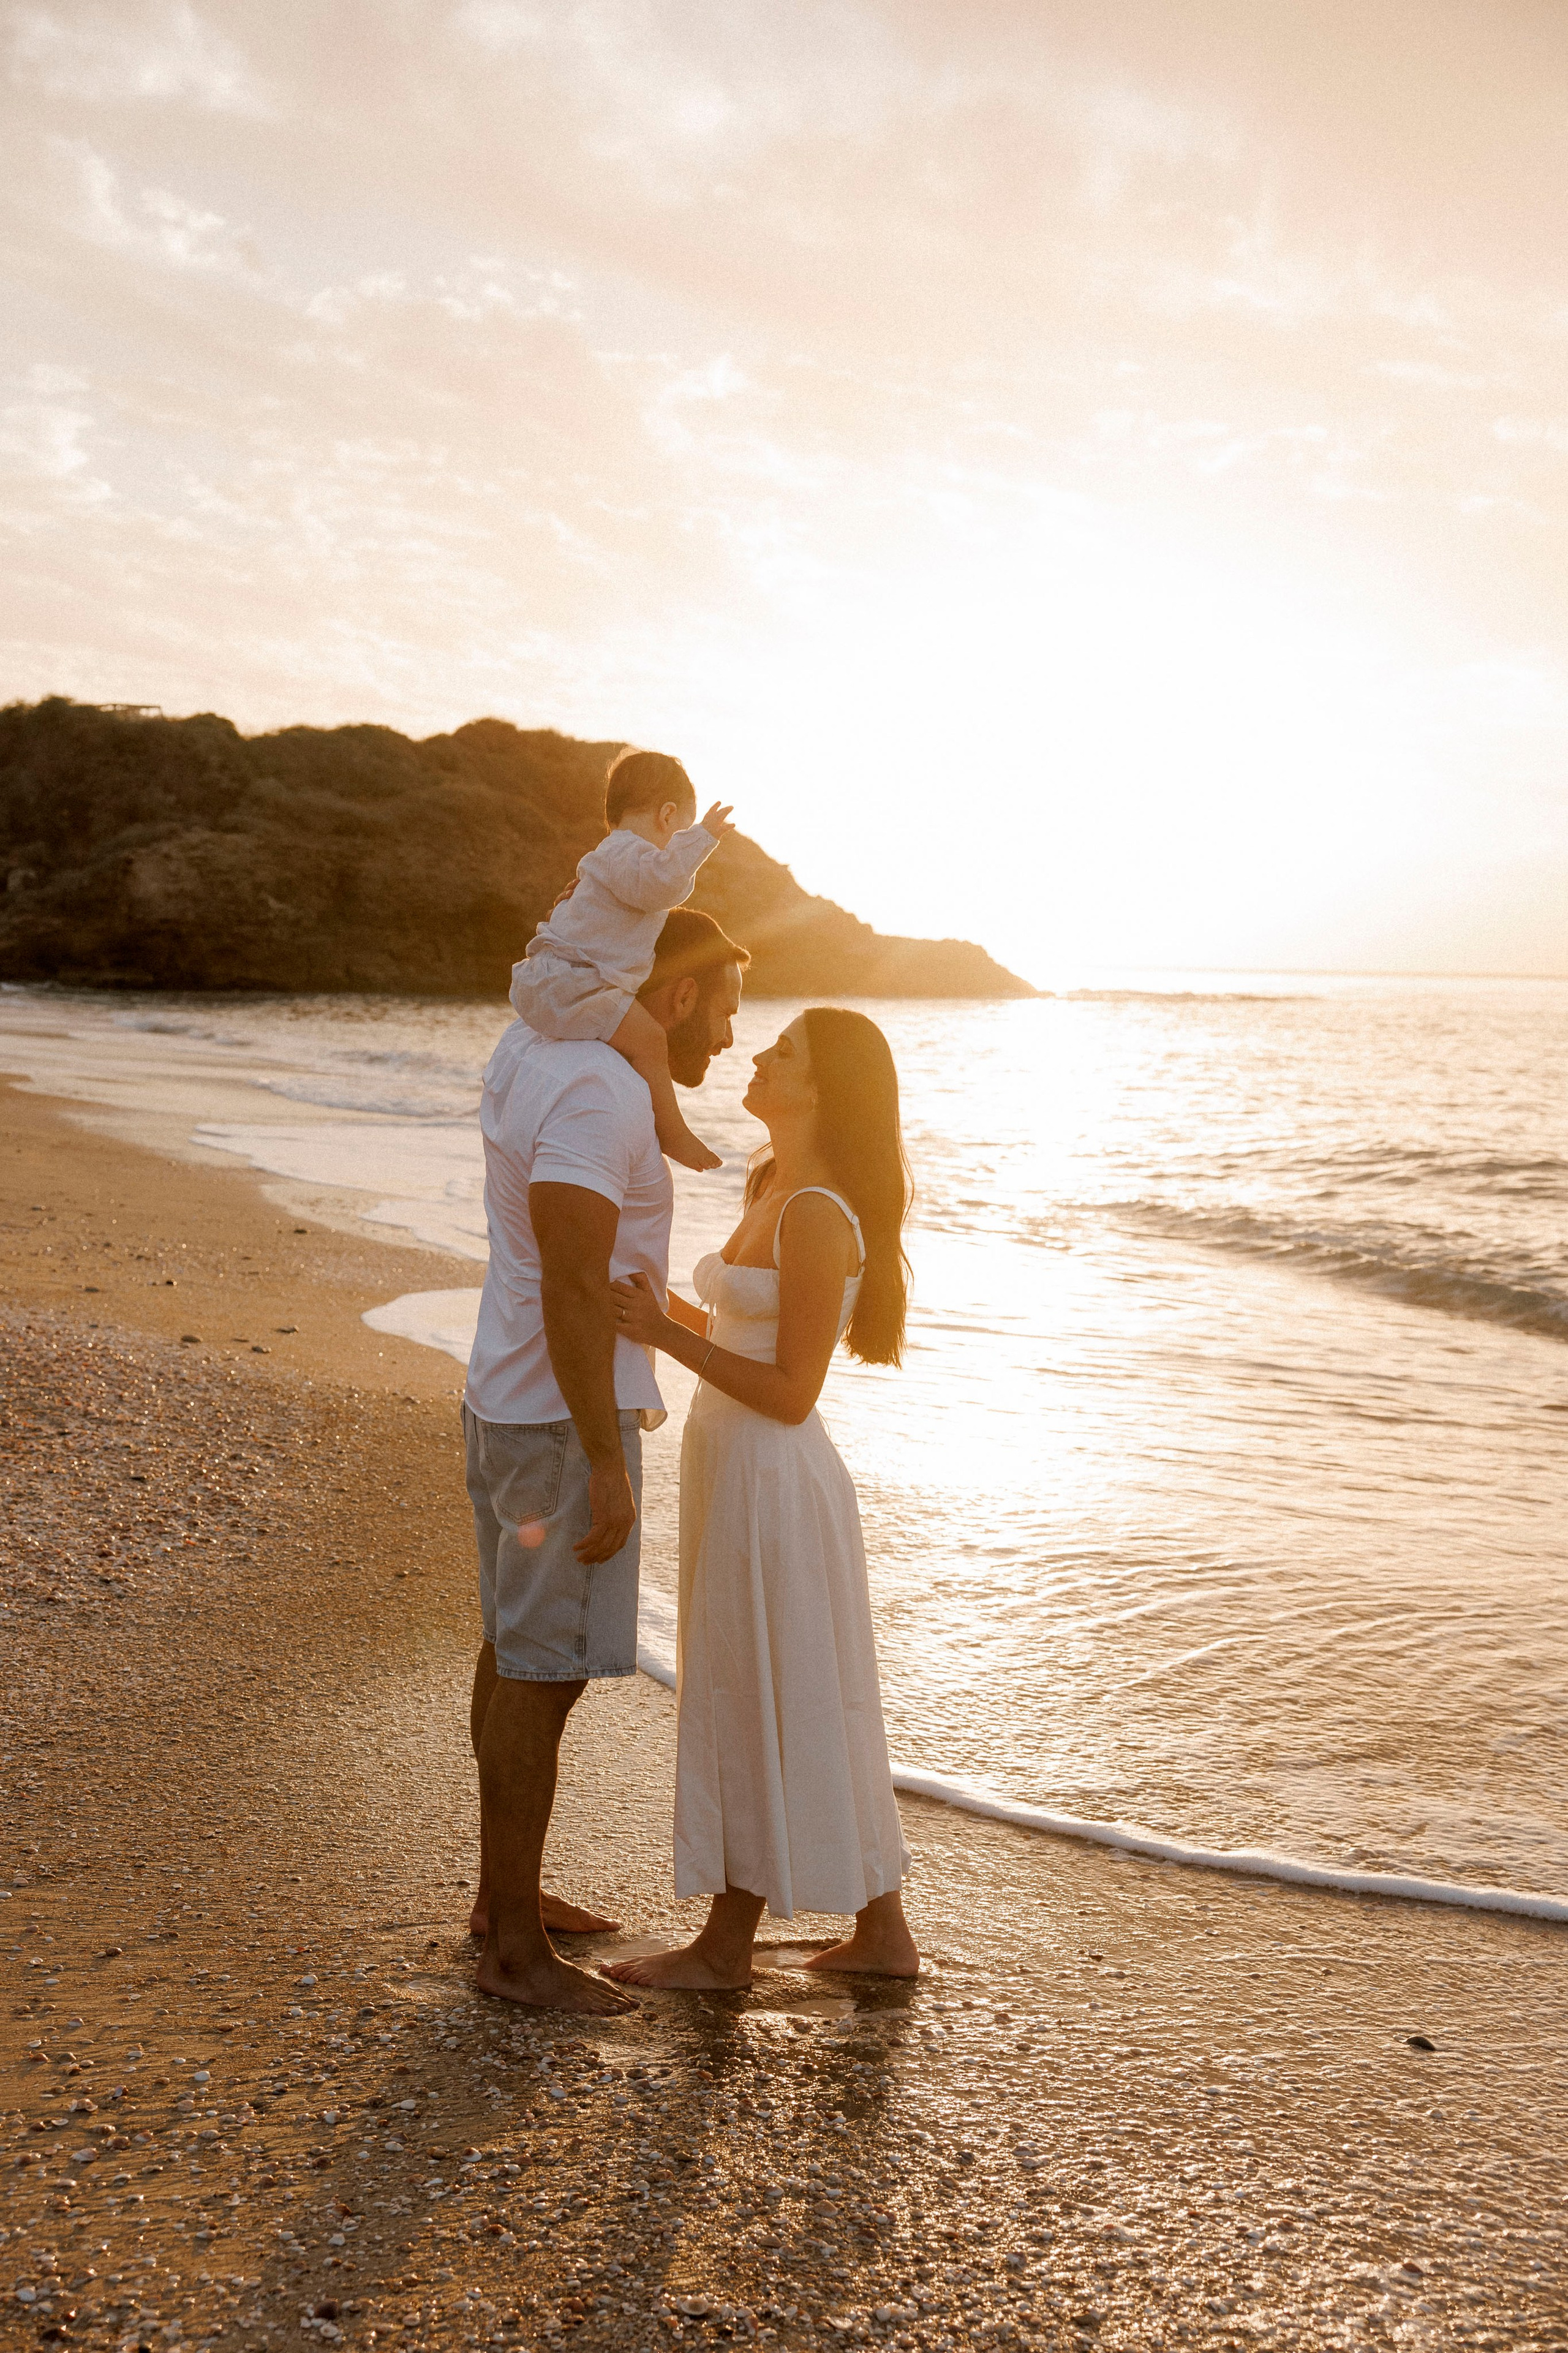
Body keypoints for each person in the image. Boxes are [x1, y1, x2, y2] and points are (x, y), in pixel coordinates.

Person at [464, 906, 749, 2012]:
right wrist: (606, 1458)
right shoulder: (599, 1093)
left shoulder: (537, 1048)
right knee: (546, 1670)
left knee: (512, 1655)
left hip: (503, 1395)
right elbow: (575, 1281)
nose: (728, 1035)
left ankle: (505, 1905)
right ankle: (515, 1956)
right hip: (553, 1420)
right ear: (675, 996)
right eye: (724, 1005)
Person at [600, 1007, 920, 1990]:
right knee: (800, 1686)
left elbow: (791, 1391)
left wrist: (663, 1332)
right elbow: (744, 1335)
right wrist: (658, 1316)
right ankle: (883, 1935)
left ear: (822, 1090)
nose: (758, 1056)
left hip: (776, 1480)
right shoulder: (770, 1181)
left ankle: (725, 1950)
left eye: (784, 1053)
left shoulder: (817, 1211)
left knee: (761, 1685)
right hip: (731, 1467)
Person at [509, 747, 736, 1172]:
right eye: (680, 830)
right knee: (650, 1039)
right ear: (667, 816)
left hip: (555, 978)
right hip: (570, 982)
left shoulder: (612, 860)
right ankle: (673, 1133)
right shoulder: (628, 854)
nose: (677, 848)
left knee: (629, 1034)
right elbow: (664, 884)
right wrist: (703, 837)